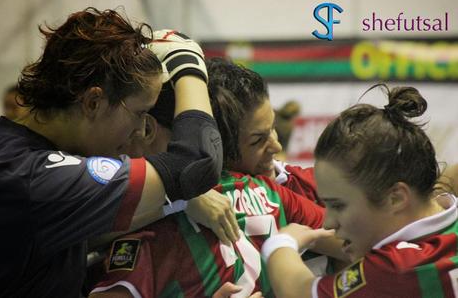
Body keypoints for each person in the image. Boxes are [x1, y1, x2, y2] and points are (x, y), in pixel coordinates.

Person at [0, 9, 225, 297]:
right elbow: (196, 163)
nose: (141, 130)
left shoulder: (17, 154)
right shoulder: (37, 178)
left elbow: (85, 237)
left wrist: (175, 202)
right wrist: (188, 64)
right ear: (94, 102)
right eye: (140, 113)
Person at [88, 58, 345, 298]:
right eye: (257, 139)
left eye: (273, 129)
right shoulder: (269, 192)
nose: (276, 145)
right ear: (220, 145)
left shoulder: (151, 225)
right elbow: (356, 240)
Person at [263, 84, 458, 298]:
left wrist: (280, 244)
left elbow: (298, 293)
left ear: (396, 198)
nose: (328, 222)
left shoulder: (399, 268)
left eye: (339, 205)